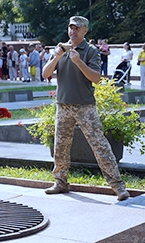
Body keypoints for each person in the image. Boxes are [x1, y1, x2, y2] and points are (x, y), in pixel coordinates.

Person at [41, 16, 129, 202]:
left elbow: (96, 78)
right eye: (71, 27)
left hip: (85, 106)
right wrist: (57, 56)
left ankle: (117, 185)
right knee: (60, 147)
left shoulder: (90, 51)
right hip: (63, 105)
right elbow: (46, 74)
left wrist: (79, 62)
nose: (73, 31)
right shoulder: (60, 49)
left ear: (85, 31)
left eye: (77, 28)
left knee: (100, 145)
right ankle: (61, 182)